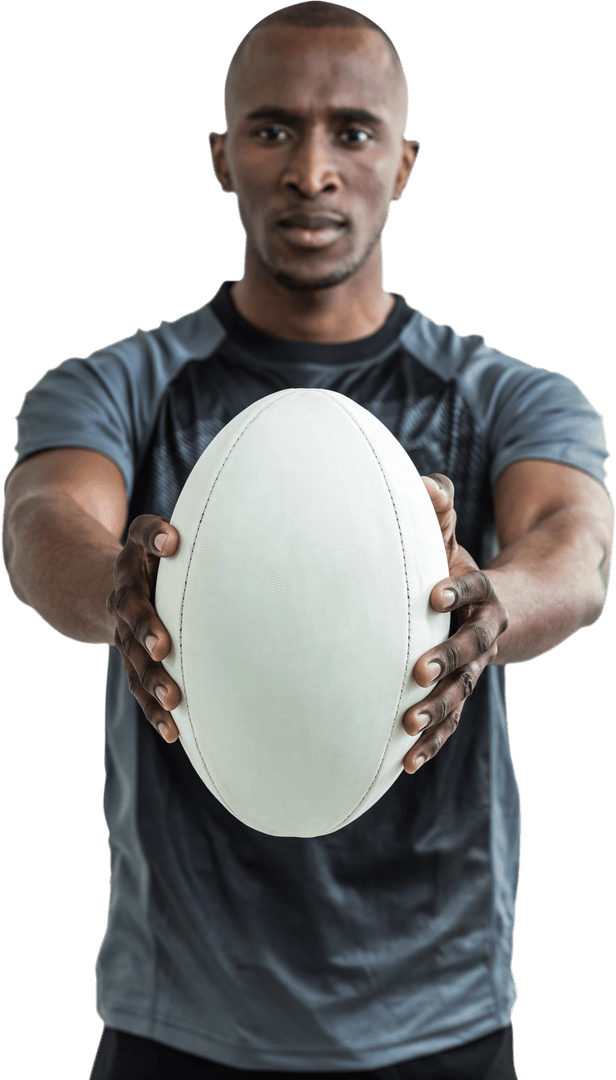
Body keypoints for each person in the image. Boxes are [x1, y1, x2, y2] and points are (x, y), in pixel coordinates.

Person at [2, 3, 612, 1078]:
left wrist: (493, 602)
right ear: (221, 157)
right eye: (273, 129)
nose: (312, 171)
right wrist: (121, 587)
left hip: (440, 1016)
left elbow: (575, 544)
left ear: (405, 164)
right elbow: (43, 522)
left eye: (354, 132)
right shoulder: (117, 387)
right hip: (178, 1017)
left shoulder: (504, 394)